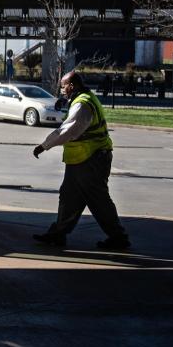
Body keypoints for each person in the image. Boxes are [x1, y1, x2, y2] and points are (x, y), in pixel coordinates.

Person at [32, 71, 130, 249]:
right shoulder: (83, 99)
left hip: (91, 159)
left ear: (72, 85)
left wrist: (44, 146)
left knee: (98, 200)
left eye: (63, 86)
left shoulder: (82, 104)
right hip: (82, 159)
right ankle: (58, 234)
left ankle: (118, 237)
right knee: (69, 197)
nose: (62, 90)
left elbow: (67, 131)